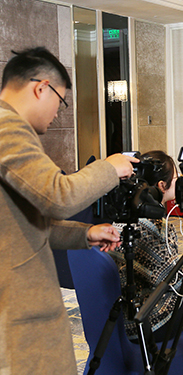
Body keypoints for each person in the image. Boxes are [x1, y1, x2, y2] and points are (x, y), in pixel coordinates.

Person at [0, 46, 138, 374]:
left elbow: (22, 223)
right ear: (41, 88)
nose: (58, 114)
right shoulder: (8, 129)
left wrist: (84, 233)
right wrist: (110, 167)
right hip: (18, 314)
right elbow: (57, 196)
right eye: (61, 102)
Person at [108, 150, 183, 368]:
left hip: (120, 316)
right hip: (149, 321)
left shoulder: (119, 218)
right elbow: (175, 284)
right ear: (162, 185)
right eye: (176, 178)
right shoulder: (156, 227)